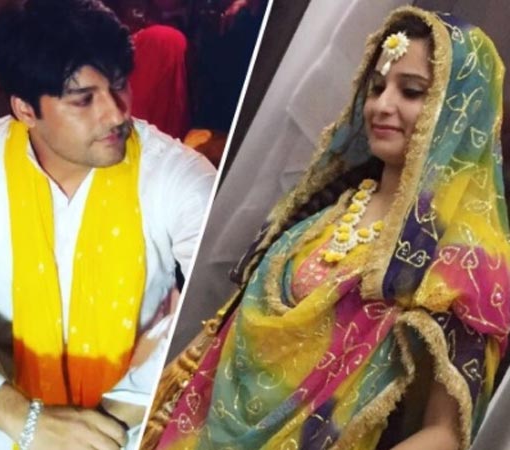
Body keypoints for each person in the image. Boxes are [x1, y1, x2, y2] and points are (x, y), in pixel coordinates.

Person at [143, 6, 509, 450]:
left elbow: (446, 433)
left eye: (412, 91)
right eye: (377, 87)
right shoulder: (325, 210)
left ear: (461, 110)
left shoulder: (463, 260)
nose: (382, 106)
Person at [0, 0, 216, 449]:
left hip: (129, 410)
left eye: (118, 85)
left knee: (210, 335)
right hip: (3, 407)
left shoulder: (176, 173)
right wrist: (25, 420)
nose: (116, 114)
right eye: (83, 99)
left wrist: (102, 425)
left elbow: (219, 290)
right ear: (25, 109)